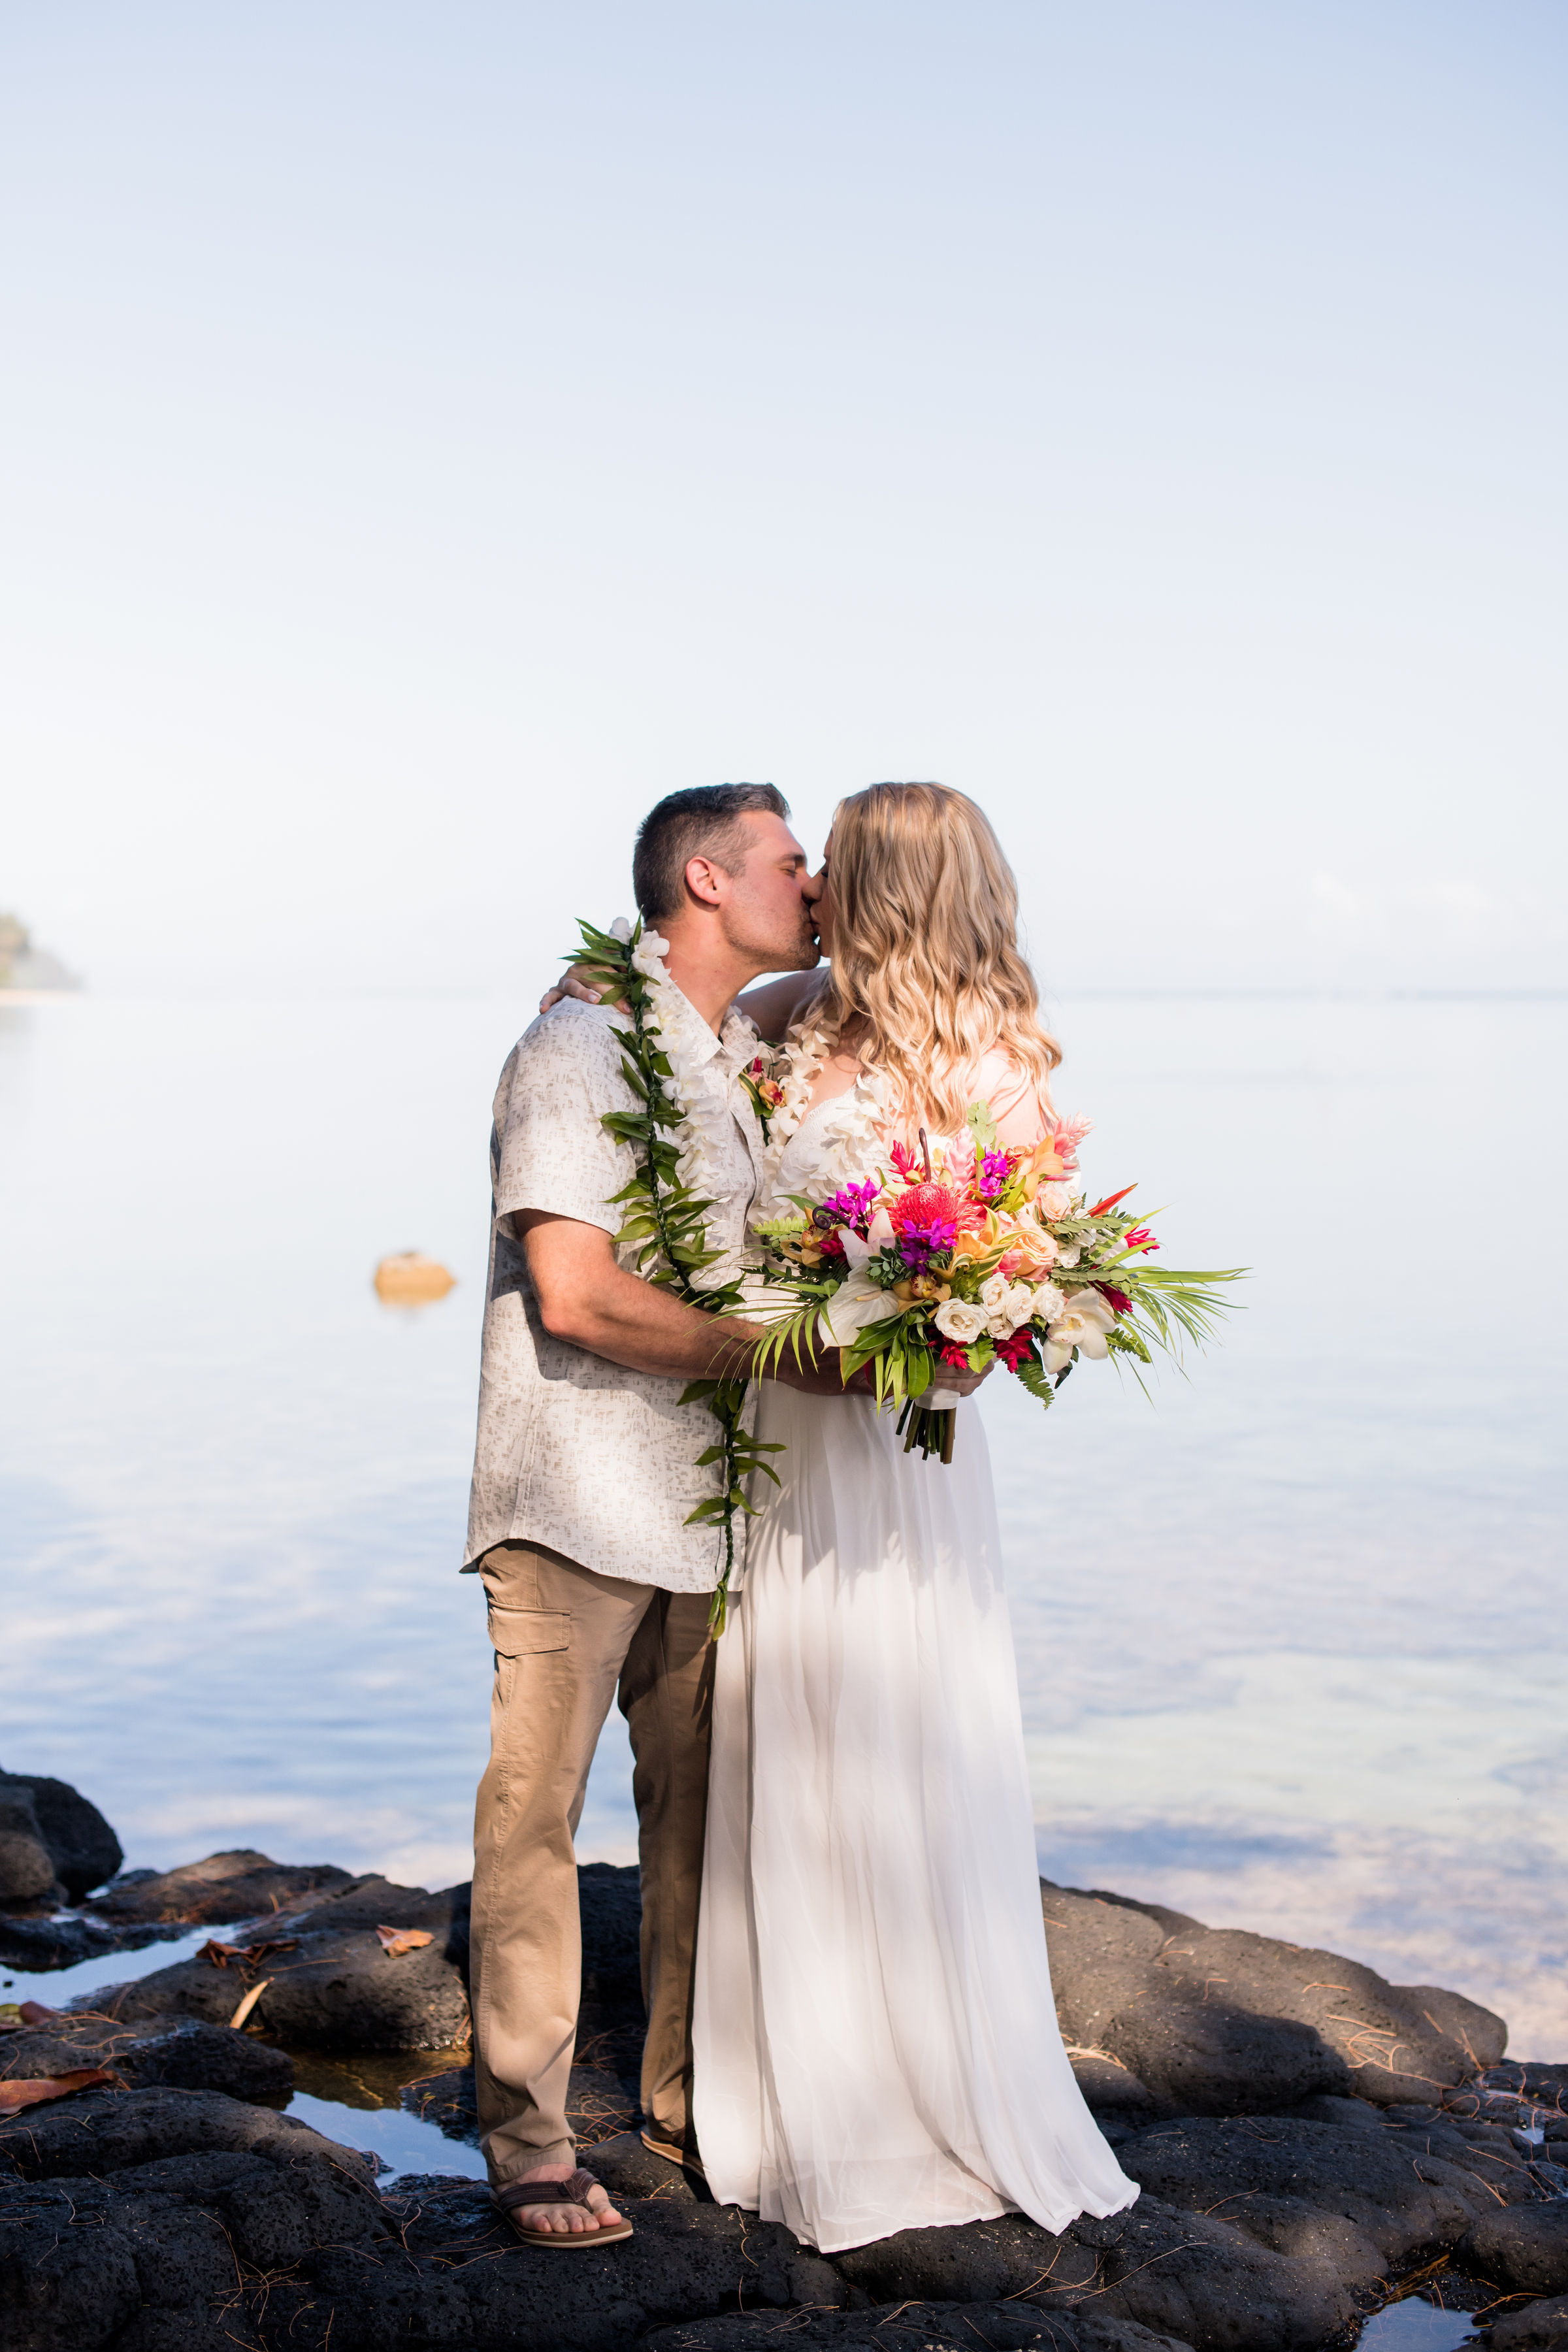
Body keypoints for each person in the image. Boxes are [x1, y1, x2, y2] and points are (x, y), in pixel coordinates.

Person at [462, 781, 987, 2247]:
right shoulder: (578, 1047)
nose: (815, 882)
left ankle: (689, 2107)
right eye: (787, 860)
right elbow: (573, 1293)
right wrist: (780, 1357)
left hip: (712, 1509)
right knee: (535, 1825)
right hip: (572, 1496)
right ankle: (530, 2140)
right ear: (706, 878)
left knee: (700, 1829)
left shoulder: (740, 1045)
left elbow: (907, 983)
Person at [691, 781, 1139, 2252]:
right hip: (772, 1423)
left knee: (895, 1729)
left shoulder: (996, 1056)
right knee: (785, 1727)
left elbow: (1017, 1280)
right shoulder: (773, 1019)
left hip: (892, 1449)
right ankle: (785, 2086)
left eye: (833, 856)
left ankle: (914, 2085)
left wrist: (955, 1317)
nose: (806, 875)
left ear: (885, 882)